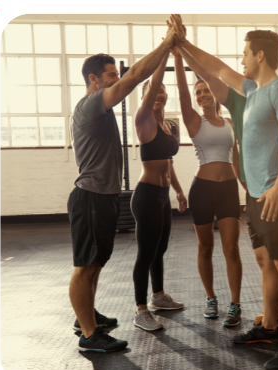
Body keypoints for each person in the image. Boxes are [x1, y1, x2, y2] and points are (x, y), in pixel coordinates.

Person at [171, 16, 278, 370]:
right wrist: (182, 43)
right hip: (255, 194)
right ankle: (268, 327)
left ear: (261, 55)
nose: (241, 60)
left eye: (246, 54)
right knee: (266, 261)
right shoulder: (252, 91)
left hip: (277, 193)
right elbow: (215, 68)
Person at [68, 15, 184, 352]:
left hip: (103, 197)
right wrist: (165, 45)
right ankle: (90, 336)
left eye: (116, 75)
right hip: (89, 195)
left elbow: (134, 78)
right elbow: (136, 78)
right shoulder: (90, 105)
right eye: (110, 75)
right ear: (94, 79)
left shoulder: (100, 111)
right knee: (84, 266)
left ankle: (85, 316)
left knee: (95, 262)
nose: (117, 80)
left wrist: (166, 53)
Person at [172, 46, 244, 327]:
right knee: (205, 248)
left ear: (215, 92)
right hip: (201, 190)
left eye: (205, 90)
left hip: (227, 191)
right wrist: (178, 57)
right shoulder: (193, 121)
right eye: (197, 92)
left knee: (232, 249)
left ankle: (235, 304)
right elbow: (181, 90)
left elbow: (236, 158)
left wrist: (246, 187)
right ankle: (211, 298)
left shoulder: (229, 122)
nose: (202, 95)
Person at [130, 50, 188, 332]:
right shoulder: (144, 121)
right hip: (146, 196)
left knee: (160, 249)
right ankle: (141, 310)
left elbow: (169, 162)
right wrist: (166, 51)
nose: (160, 92)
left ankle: (158, 297)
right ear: (146, 97)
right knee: (146, 252)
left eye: (164, 90)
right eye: (155, 90)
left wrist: (178, 191)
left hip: (163, 196)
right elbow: (152, 85)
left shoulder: (168, 125)